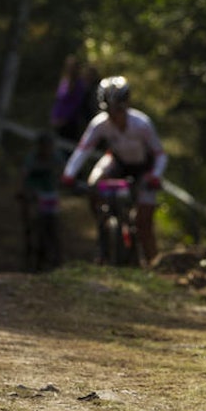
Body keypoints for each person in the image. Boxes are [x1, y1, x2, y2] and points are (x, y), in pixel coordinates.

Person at [61, 75, 168, 264]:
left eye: (117, 109)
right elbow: (83, 149)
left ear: (126, 105)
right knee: (93, 185)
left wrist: (155, 175)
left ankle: (154, 263)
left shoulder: (141, 124)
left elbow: (160, 154)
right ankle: (104, 232)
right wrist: (69, 174)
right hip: (117, 162)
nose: (114, 115)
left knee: (143, 223)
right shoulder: (100, 124)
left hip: (144, 168)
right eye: (109, 110)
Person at [18, 131, 64, 271]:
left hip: (51, 196)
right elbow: (24, 176)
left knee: (53, 228)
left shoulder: (56, 158)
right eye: (44, 146)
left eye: (49, 146)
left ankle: (55, 260)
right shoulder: (32, 158)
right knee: (31, 228)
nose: (46, 149)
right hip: (34, 196)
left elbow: (62, 174)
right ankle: (30, 260)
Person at [50, 56, 89, 153]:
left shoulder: (79, 84)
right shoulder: (65, 81)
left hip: (69, 124)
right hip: (57, 121)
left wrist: (64, 119)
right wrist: (54, 116)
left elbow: (76, 105)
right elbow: (59, 101)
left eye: (72, 67)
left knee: (66, 150)